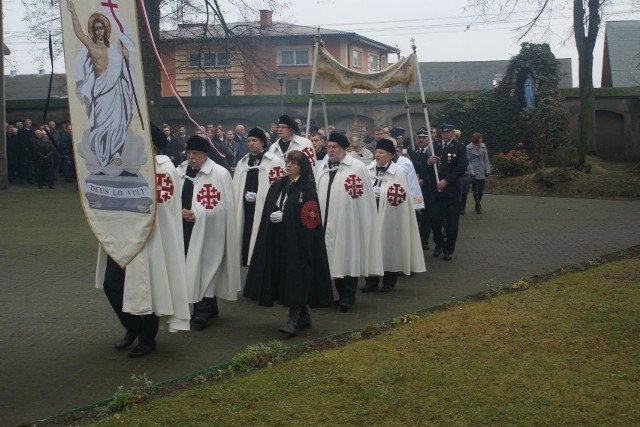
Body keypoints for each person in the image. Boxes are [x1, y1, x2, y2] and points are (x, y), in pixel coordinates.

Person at [95, 124, 191, 358]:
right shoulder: (121, 166)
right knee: (112, 285)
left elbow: (163, 206)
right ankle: (132, 327)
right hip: (121, 237)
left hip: (150, 238)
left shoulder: (164, 169)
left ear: (153, 145)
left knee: (148, 289)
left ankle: (148, 338)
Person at [244, 150, 333, 336]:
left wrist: (288, 216)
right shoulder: (278, 185)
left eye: (294, 163)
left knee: (296, 276)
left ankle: (294, 318)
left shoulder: (306, 190)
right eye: (287, 161)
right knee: (285, 276)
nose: (289, 165)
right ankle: (304, 316)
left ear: (302, 167)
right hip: (280, 240)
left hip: (299, 243)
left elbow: (311, 218)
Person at [178, 135, 241, 329]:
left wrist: (198, 214)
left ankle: (202, 311)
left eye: (195, 153)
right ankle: (209, 307)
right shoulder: (180, 171)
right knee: (191, 265)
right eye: (188, 153)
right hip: (183, 227)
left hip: (210, 230)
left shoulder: (219, 174)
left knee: (206, 267)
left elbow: (224, 207)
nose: (191, 157)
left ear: (205, 154)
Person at [316, 132, 383, 312]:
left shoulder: (357, 167)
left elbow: (363, 199)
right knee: (333, 259)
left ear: (344, 148)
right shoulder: (323, 166)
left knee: (347, 257)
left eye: (335, 147)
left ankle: (348, 296)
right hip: (326, 220)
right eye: (329, 147)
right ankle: (340, 294)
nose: (331, 151)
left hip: (348, 222)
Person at [66, 0, 135, 170]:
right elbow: (79, 33)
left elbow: (123, 69)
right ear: (93, 30)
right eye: (95, 28)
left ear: (105, 29)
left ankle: (115, 153)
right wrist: (73, 12)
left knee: (117, 122)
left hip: (116, 91)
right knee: (101, 124)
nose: (98, 31)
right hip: (101, 92)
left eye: (101, 28)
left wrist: (126, 55)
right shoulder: (91, 46)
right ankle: (103, 156)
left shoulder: (114, 49)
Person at [363, 139, 426, 292]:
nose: (377, 155)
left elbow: (400, 194)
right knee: (370, 246)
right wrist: (371, 192)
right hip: (371, 213)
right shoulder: (368, 169)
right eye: (376, 152)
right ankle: (371, 280)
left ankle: (389, 281)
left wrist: (381, 193)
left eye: (381, 153)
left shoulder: (398, 172)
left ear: (390, 155)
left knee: (389, 246)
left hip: (390, 215)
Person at [232, 127, 285, 266]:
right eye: (249, 140)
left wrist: (260, 196)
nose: (250, 143)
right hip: (246, 208)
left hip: (265, 209)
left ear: (262, 142)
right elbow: (236, 186)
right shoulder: (242, 162)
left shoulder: (274, 161)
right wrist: (243, 196)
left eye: (254, 140)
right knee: (247, 234)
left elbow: (279, 187)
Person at [426, 124, 469, 261]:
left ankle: (449, 249)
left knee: (451, 221)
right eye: (443, 132)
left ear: (452, 132)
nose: (445, 134)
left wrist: (447, 180)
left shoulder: (460, 147)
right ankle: (439, 243)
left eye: (447, 132)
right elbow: (425, 165)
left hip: (451, 189)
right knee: (434, 218)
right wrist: (429, 161)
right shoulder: (435, 146)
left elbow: (461, 167)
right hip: (436, 189)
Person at [410, 127, 433, 249]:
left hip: (427, 188)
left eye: (424, 137)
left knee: (426, 214)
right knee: (414, 214)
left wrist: (424, 178)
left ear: (429, 138)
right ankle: (414, 238)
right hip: (414, 187)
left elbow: (432, 171)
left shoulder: (432, 152)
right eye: (420, 137)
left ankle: (424, 240)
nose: (422, 140)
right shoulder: (412, 152)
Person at [467, 132, 492, 214]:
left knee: (481, 191)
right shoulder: (468, 147)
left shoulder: (483, 146)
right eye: (480, 138)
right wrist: (471, 171)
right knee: (476, 190)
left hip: (482, 170)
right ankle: (478, 206)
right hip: (474, 171)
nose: (482, 139)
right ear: (477, 138)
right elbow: (468, 160)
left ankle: (478, 204)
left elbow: (486, 158)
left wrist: (488, 170)